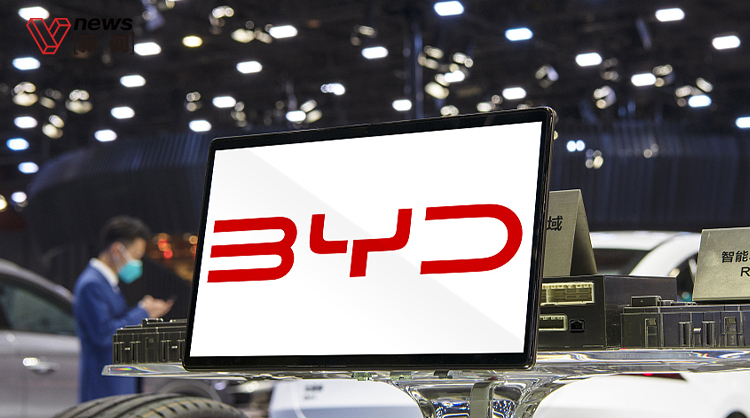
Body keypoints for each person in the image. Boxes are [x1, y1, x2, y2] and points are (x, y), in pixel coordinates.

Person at [73, 215, 173, 402]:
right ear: (117, 249)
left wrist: (144, 311)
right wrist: (143, 312)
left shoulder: (107, 283)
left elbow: (117, 320)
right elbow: (104, 334)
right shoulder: (92, 284)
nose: (137, 261)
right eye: (136, 255)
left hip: (117, 384)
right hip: (104, 387)